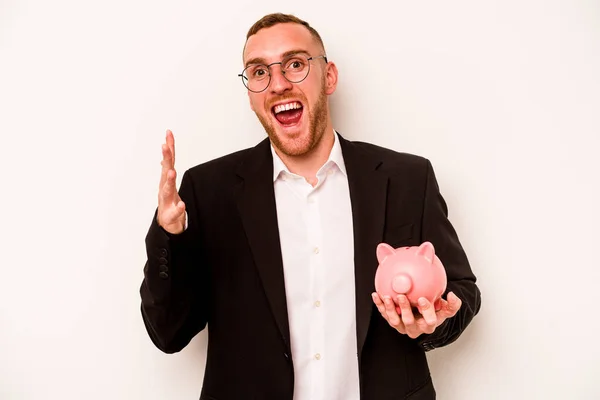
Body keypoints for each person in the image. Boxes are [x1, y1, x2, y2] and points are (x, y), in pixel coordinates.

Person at [139, 12, 482, 400]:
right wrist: (170, 235)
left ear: (329, 76)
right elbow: (168, 332)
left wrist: (430, 322)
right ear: (250, 91)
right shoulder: (208, 189)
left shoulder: (406, 178)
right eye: (259, 72)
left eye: (296, 64)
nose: (278, 84)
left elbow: (461, 291)